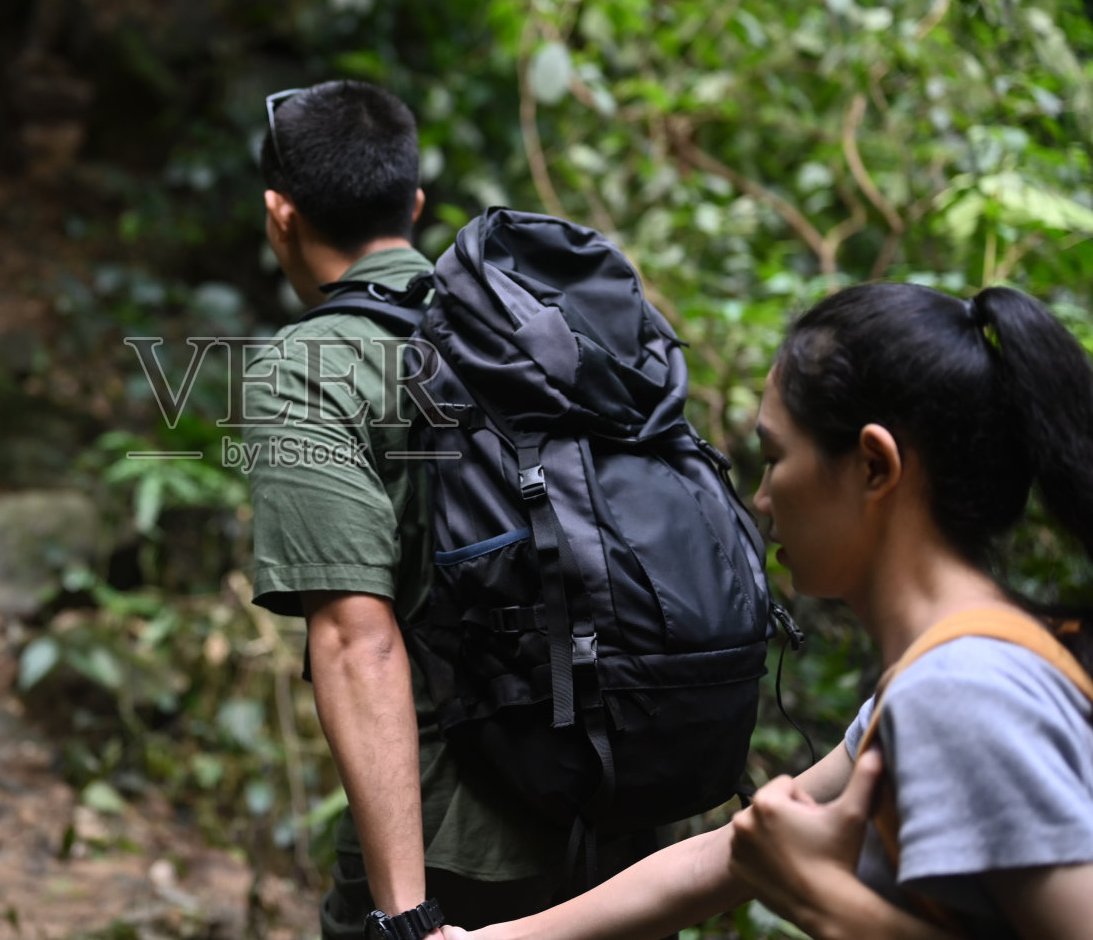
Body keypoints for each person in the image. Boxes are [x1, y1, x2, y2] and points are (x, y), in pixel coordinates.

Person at [440, 281, 1093, 940]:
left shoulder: (959, 689)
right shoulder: (947, 672)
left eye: (777, 456)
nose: (759, 497)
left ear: (874, 465)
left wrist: (820, 897)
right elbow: (718, 857)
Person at [243, 81, 570, 939]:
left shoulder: (312, 366)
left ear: (281, 214)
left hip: (459, 839)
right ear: (415, 205)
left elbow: (358, 638)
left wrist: (406, 916)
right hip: (624, 811)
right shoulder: (535, 327)